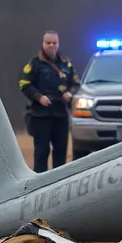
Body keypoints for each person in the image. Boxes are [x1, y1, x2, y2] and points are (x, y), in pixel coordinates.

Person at [19, 30, 79, 172]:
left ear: (58, 44)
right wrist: (39, 97)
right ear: (43, 44)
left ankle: (60, 184)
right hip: (41, 116)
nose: (51, 45)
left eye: (54, 43)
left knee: (61, 153)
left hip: (61, 115)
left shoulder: (66, 65)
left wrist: (70, 94)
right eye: (48, 43)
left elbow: (77, 84)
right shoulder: (34, 64)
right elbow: (24, 84)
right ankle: (40, 184)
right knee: (41, 153)